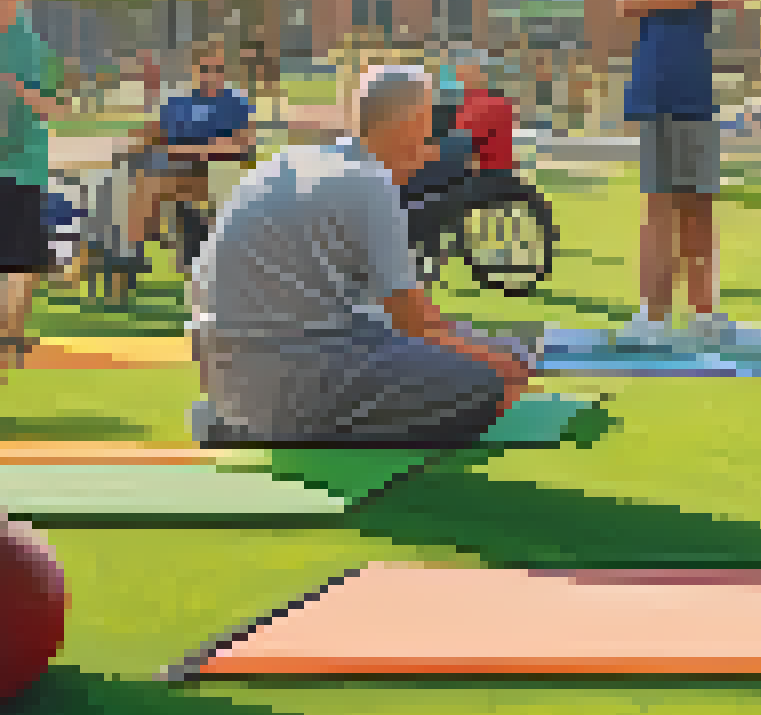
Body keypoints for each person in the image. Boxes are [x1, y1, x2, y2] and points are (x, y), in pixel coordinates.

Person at [189, 66, 535, 445]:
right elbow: (417, 325)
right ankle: (274, 430)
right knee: (484, 383)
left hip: (231, 376)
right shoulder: (368, 182)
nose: (434, 139)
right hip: (294, 377)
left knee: (490, 350)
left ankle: (240, 415)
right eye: (429, 121)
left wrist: (490, 349)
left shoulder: (290, 163)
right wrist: (503, 369)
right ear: (409, 124)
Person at [616, 0, 760, 352]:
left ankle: (703, 315)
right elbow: (627, 3)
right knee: (658, 206)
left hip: (696, 95)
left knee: (699, 207)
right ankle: (651, 314)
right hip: (652, 91)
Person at [128, 38, 255, 270]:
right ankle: (132, 255)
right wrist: (206, 147)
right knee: (141, 177)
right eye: (205, 69)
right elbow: (161, 142)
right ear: (194, 70)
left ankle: (140, 249)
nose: (212, 75)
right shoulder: (179, 103)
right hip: (184, 169)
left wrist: (200, 149)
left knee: (152, 179)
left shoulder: (236, 101)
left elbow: (243, 145)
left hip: (222, 171)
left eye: (218, 69)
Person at [0, 0, 63, 369]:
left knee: (22, 267)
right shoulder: (19, 35)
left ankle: (8, 341)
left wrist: (20, 90)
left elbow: (54, 107)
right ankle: (7, 342)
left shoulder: (29, 36)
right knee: (19, 267)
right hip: (15, 169)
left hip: (22, 165)